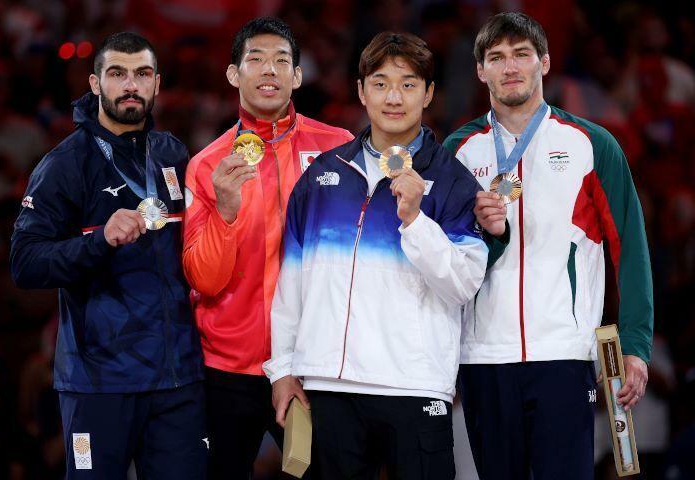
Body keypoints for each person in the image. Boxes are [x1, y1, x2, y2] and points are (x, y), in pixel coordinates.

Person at [264, 31, 489, 479]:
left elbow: (463, 285)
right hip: (328, 385)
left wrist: (415, 221)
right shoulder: (324, 175)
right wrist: (283, 370)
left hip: (414, 385)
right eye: (381, 82)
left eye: (408, 84)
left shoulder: (453, 183)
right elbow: (292, 284)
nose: (394, 97)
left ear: (428, 94)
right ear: (361, 90)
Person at [442, 12, 653, 480]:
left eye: (521, 54)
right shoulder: (459, 151)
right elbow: (444, 259)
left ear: (545, 62)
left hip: (563, 354)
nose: (509, 66)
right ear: (480, 70)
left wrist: (636, 344)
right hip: (482, 358)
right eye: (496, 57)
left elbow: (630, 250)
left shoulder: (590, 144)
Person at [10, 32, 207, 479]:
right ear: (96, 84)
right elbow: (25, 263)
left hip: (177, 379)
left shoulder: (173, 154)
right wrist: (99, 240)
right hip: (98, 382)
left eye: (141, 74)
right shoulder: (66, 164)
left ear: (157, 83)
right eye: (117, 74)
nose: (131, 85)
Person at [182, 17, 352, 479]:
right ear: (233, 75)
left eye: (282, 61)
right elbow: (205, 279)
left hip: (313, 363)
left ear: (298, 76)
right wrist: (226, 212)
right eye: (255, 60)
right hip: (229, 368)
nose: (269, 71)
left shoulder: (340, 150)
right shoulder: (208, 165)